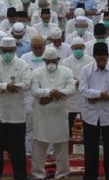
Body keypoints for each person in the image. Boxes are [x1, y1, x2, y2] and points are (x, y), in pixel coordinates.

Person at [0, 36, 32, 180]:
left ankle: (21, 177)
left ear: (15, 50)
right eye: (4, 51)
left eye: (10, 51)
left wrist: (14, 86)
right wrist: (6, 86)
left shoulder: (22, 64)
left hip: (16, 116)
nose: (7, 54)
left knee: (18, 151)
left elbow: (27, 83)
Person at [79, 42, 109, 180]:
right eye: (98, 59)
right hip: (90, 116)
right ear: (93, 57)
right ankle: (90, 177)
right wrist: (101, 95)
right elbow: (83, 90)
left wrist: (97, 96)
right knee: (90, 149)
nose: (101, 62)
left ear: (108, 56)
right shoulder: (86, 70)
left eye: (103, 59)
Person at [30, 47, 76, 179]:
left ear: (58, 60)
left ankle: (62, 174)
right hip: (42, 116)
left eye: (53, 61)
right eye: (48, 61)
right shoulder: (37, 73)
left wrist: (50, 96)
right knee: (39, 147)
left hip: (59, 115)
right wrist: (51, 92)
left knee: (61, 148)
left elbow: (71, 90)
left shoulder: (67, 72)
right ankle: (38, 174)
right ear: (44, 60)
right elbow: (34, 91)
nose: (51, 64)